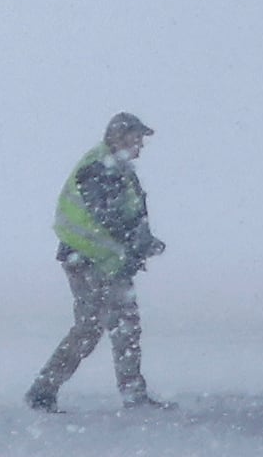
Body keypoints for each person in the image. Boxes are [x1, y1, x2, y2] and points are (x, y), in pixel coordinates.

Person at [28, 112, 165, 409]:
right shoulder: (99, 168)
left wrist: (144, 241)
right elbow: (107, 216)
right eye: (136, 138)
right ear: (118, 137)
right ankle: (44, 388)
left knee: (123, 325)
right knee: (92, 328)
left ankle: (133, 393)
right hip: (87, 260)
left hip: (109, 262)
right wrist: (134, 242)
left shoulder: (121, 170)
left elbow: (131, 214)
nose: (141, 145)